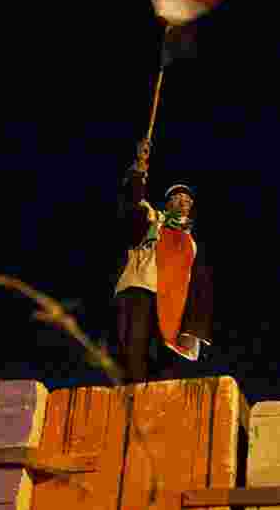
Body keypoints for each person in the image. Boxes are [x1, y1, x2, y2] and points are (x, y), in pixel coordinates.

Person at [112, 139, 213, 383]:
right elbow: (133, 200)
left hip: (169, 300)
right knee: (134, 351)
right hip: (140, 287)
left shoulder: (189, 241)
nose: (184, 203)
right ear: (167, 202)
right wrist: (140, 166)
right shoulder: (153, 218)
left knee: (161, 358)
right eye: (178, 198)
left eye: (188, 201)